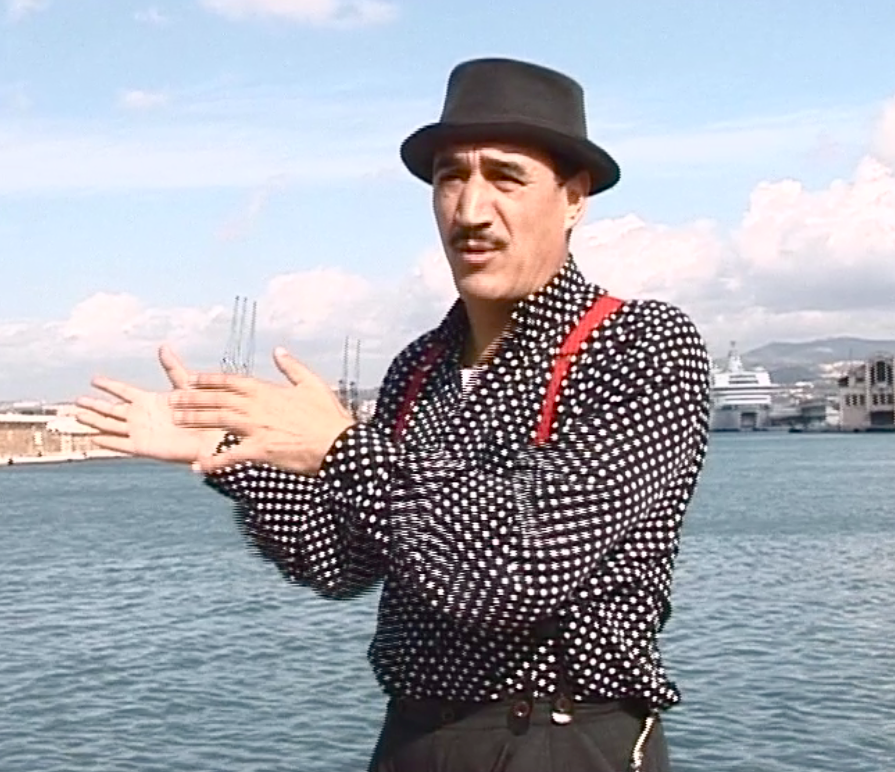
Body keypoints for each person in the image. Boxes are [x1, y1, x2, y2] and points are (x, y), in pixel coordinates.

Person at [75, 57, 712, 772]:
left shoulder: (640, 344)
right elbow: (341, 561)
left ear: (573, 198)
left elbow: (519, 568)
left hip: (562, 738)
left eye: (506, 177)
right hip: (414, 735)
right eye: (450, 178)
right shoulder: (419, 366)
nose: (470, 210)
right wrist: (231, 449)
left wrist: (341, 448)